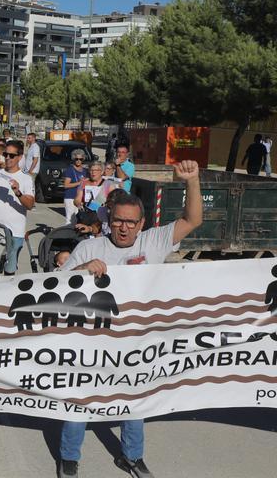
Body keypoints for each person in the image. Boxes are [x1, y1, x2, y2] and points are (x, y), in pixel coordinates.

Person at [57, 161, 202, 478]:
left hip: (136, 340)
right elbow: (55, 291)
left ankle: (131, 456)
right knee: (79, 400)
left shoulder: (155, 242)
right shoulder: (89, 247)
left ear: (142, 223)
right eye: (119, 220)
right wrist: (82, 271)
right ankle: (69, 457)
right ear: (109, 218)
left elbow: (192, 220)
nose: (124, 228)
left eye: (131, 223)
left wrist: (192, 181)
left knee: (133, 401)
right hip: (91, 341)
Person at [0, 140, 35, 275]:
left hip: (15, 232)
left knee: (9, 272)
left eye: (12, 155)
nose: (8, 158)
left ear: (20, 157)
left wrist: (18, 192)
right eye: (6, 154)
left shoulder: (26, 179)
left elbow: (29, 204)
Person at [62, 149, 88, 225]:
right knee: (70, 220)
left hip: (80, 198)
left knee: (79, 219)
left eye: (80, 159)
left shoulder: (85, 170)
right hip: (70, 197)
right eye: (76, 159)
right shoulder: (70, 170)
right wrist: (79, 183)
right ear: (73, 159)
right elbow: (66, 185)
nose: (78, 161)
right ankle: (67, 235)